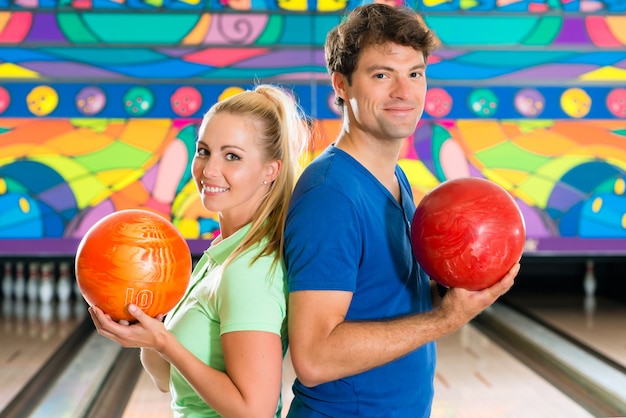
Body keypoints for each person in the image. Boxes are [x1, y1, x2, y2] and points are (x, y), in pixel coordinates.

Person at [283, 4, 520, 417]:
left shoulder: (394, 180)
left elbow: (386, 301)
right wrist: (445, 321)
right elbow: (315, 357)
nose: (404, 92)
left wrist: (453, 293)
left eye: (415, 74)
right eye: (382, 75)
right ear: (341, 85)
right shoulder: (331, 197)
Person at [89, 84, 309, 418]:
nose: (208, 170)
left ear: (271, 170)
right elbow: (168, 380)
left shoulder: (248, 271)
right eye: (204, 151)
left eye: (232, 156)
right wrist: (149, 336)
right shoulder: (222, 255)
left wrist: (165, 342)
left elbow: (255, 411)